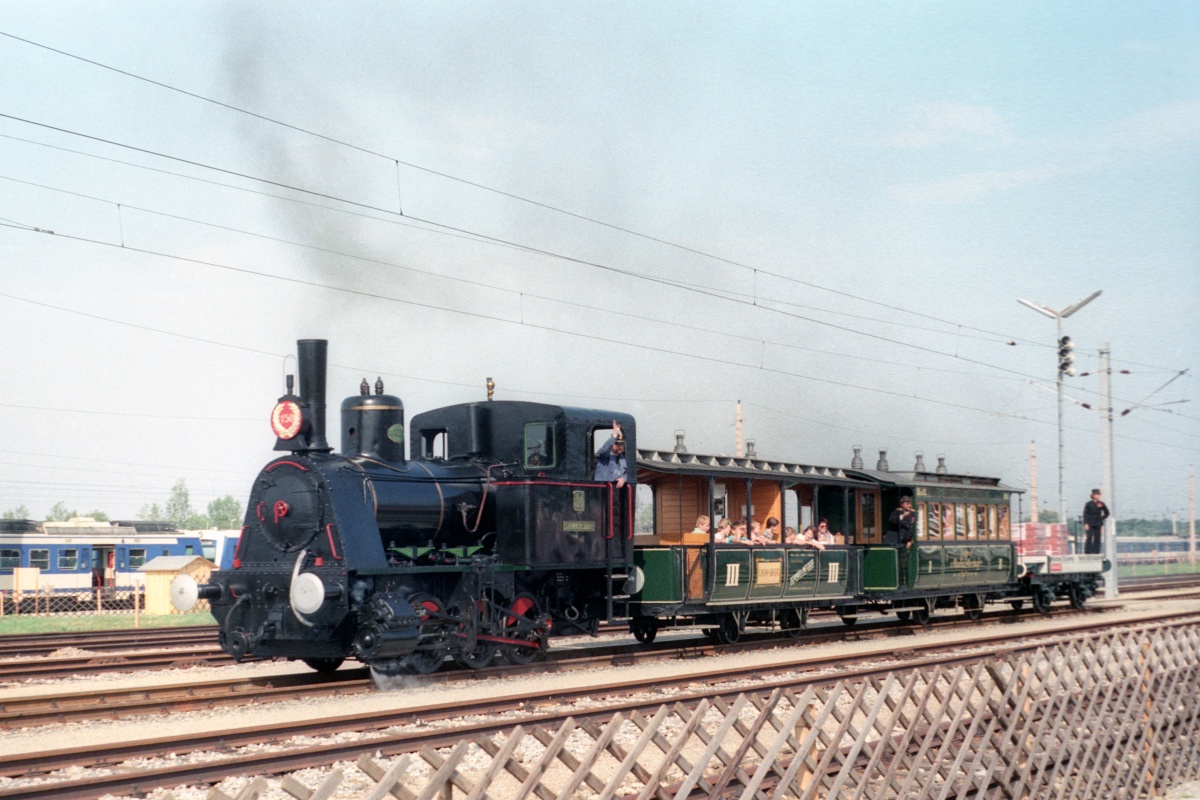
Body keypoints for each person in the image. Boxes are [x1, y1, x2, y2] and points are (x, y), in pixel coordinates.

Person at [593, 420, 627, 488]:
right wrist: (614, 435)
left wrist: (623, 479)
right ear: (613, 444)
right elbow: (604, 450)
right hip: (601, 489)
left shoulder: (623, 458)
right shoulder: (604, 456)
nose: (620, 446)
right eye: (617, 444)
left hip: (614, 491)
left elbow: (626, 473)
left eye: (621, 444)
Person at [1083, 489, 1110, 555]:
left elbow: (1107, 512)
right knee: (1089, 537)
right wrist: (1085, 523)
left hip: (1098, 523)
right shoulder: (1088, 504)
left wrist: (1101, 518)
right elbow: (1085, 514)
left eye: (1099, 494)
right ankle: (1088, 552)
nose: (1099, 496)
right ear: (1093, 495)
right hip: (1090, 523)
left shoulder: (1101, 503)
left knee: (1097, 538)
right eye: (1097, 494)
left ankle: (1096, 552)